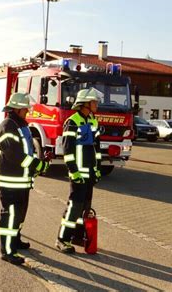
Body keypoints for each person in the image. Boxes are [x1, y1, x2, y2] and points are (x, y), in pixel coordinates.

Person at [0, 93, 49, 265]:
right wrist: (37, 165)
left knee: (20, 213)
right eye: (25, 108)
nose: (28, 111)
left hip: (22, 180)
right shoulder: (7, 126)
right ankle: (8, 251)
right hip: (10, 180)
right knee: (11, 215)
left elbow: (27, 151)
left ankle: (16, 240)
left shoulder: (21, 125)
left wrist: (39, 162)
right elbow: (14, 155)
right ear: (17, 109)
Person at [56, 88, 103, 253]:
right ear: (85, 104)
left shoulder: (93, 121)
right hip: (78, 174)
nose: (97, 104)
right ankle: (62, 239)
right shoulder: (72, 121)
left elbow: (96, 148)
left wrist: (97, 170)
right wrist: (74, 172)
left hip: (89, 174)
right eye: (94, 102)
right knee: (74, 207)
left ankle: (77, 238)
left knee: (85, 208)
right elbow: (67, 150)